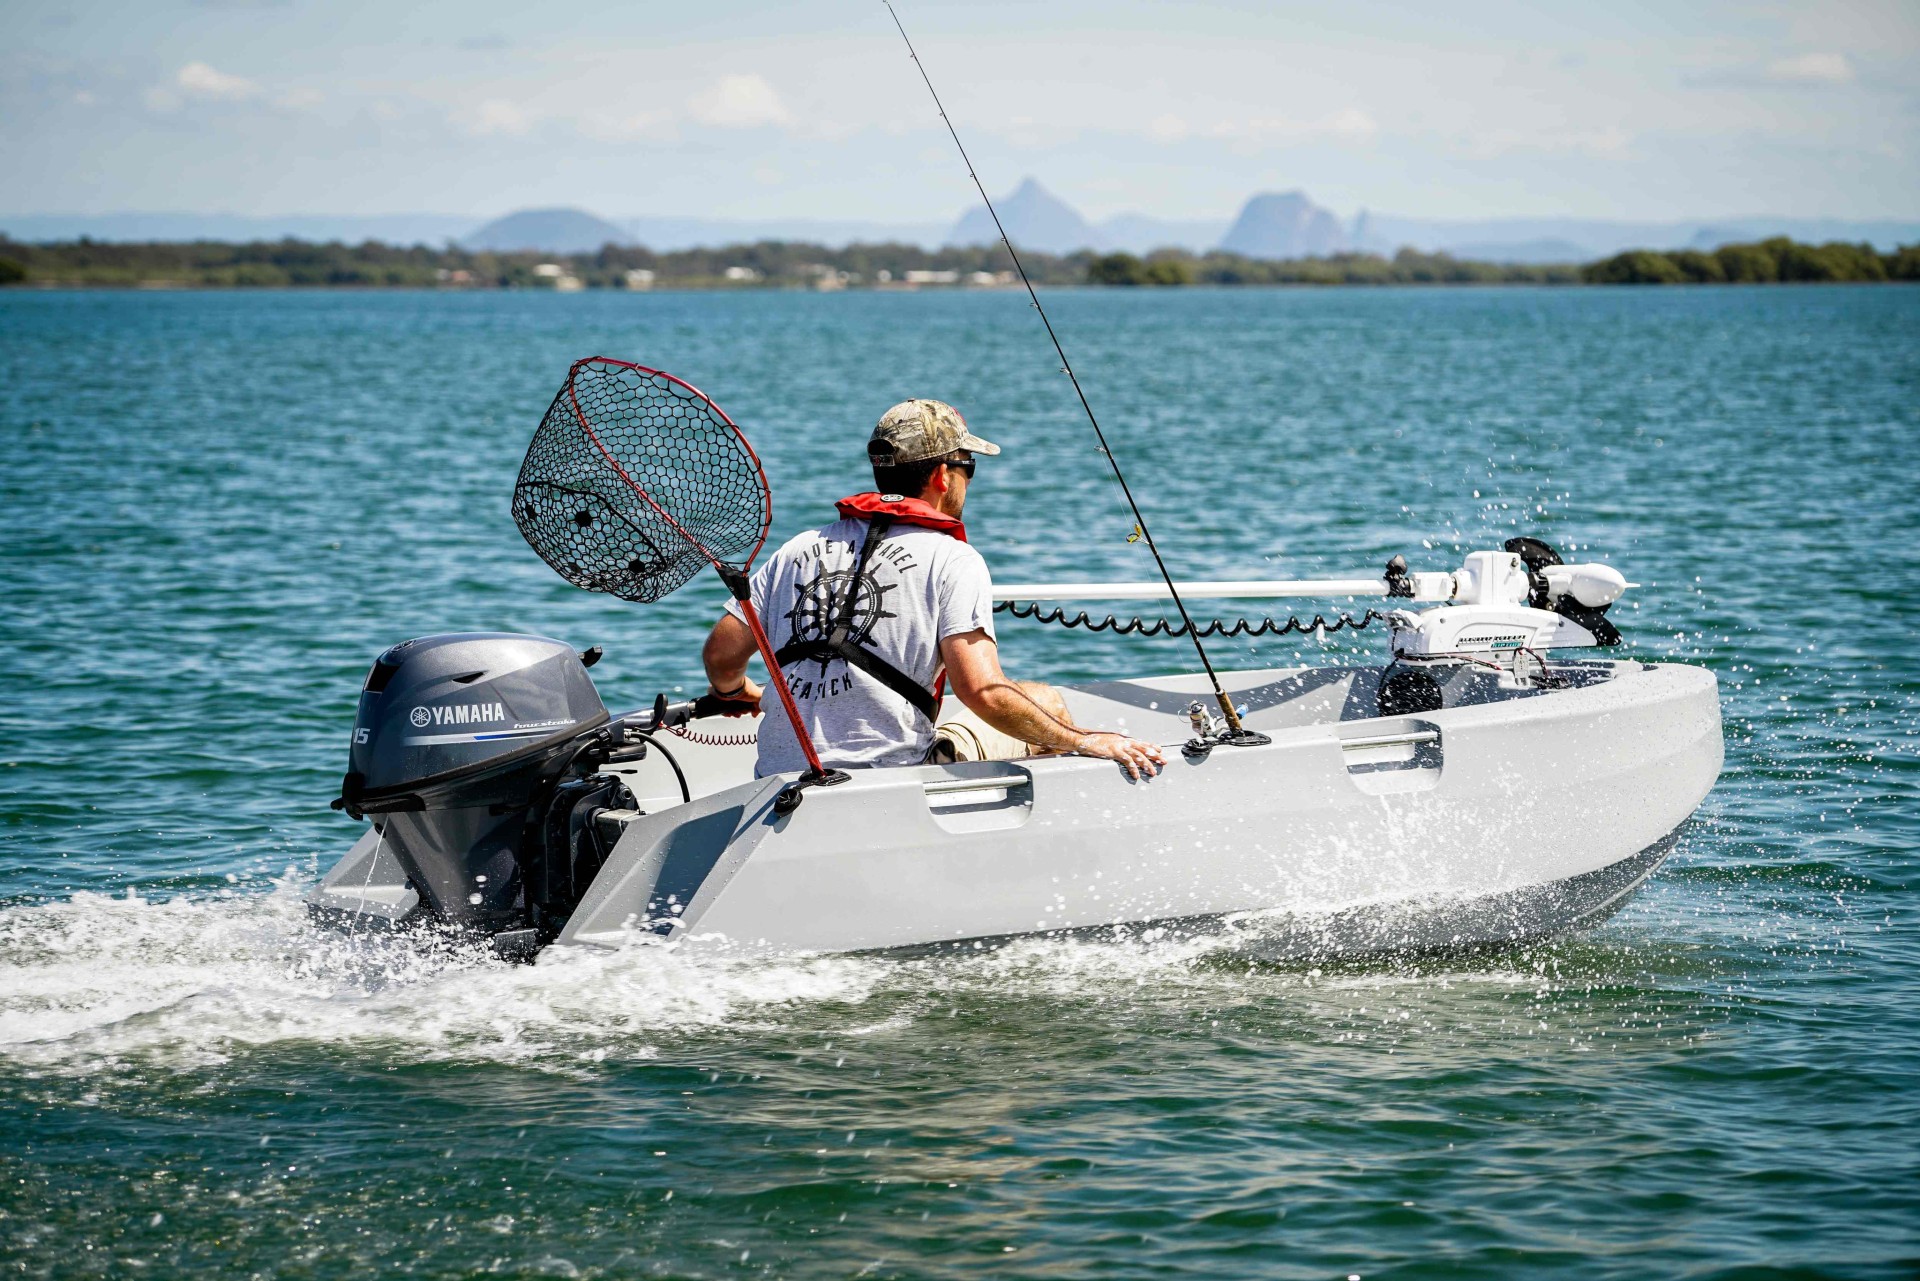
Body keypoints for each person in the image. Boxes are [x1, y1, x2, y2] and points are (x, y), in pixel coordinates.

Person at [698, 399, 1166, 781]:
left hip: (778, 781)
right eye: (969, 468)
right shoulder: (953, 560)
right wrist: (1087, 740)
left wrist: (738, 691)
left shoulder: (798, 547)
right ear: (943, 475)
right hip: (892, 782)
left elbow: (721, 656)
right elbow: (983, 691)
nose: (967, 481)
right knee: (1042, 703)